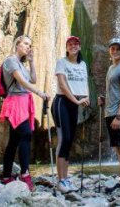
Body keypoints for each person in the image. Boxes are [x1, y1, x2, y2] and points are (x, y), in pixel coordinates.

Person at [0, 34, 49, 190]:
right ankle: (25, 174)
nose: (28, 47)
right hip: (15, 103)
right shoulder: (10, 61)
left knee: (14, 140)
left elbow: (33, 79)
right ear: (17, 44)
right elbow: (22, 82)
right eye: (25, 44)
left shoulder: (22, 64)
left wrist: (32, 62)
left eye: (30, 45)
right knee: (26, 134)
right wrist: (40, 93)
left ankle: (7, 175)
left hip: (24, 102)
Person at [52, 36, 90, 193]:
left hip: (75, 104)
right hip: (62, 102)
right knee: (64, 138)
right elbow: (62, 84)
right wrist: (76, 100)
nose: (73, 46)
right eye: (70, 44)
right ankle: (60, 180)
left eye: (76, 44)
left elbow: (85, 83)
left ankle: (66, 178)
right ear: (66, 48)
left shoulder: (83, 64)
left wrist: (87, 97)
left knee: (69, 141)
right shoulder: (62, 62)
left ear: (80, 47)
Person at [98, 37, 120, 194]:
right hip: (111, 111)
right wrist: (105, 99)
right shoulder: (112, 67)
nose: (115, 50)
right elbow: (116, 91)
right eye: (112, 48)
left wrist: (118, 117)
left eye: (118, 48)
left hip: (118, 114)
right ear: (109, 51)